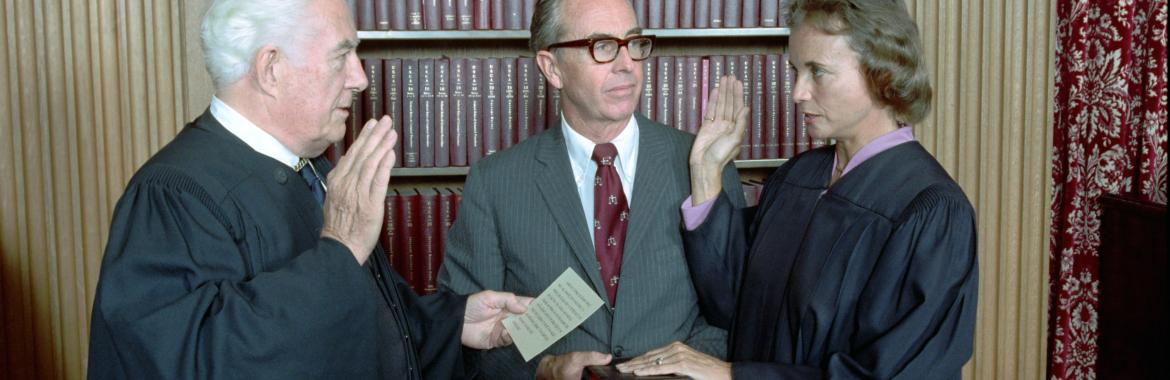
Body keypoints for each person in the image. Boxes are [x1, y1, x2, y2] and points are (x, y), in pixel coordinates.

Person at [87, 0, 530, 378]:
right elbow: (199, 362)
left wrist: (456, 324)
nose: (360, 78)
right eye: (343, 56)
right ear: (271, 69)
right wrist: (338, 248)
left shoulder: (312, 169)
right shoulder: (173, 195)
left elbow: (364, 328)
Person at [616, 0, 979, 378]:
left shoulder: (930, 212)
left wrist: (734, 375)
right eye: (795, 70)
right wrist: (706, 172)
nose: (797, 93)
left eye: (817, 72)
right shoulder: (798, 178)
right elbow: (730, 308)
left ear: (881, 72)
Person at [436, 0, 745, 378]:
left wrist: (685, 370)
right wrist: (542, 370)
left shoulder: (707, 163)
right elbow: (459, 336)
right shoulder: (494, 182)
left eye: (633, 43)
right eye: (601, 46)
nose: (626, 64)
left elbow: (738, 314)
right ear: (552, 68)